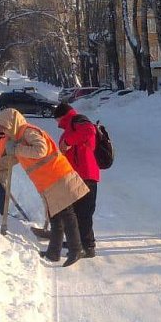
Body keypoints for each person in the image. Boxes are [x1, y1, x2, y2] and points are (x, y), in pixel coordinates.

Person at [0, 108, 89, 267]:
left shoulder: (27, 132)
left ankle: (76, 249)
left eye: (4, 128)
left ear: (12, 124)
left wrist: (17, 149)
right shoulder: (18, 140)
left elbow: (41, 150)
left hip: (57, 176)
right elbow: (9, 161)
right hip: (49, 181)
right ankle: (53, 253)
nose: (3, 132)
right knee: (56, 218)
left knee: (67, 215)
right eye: (0, 129)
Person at [54, 102, 101, 258]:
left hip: (86, 173)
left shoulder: (78, 120)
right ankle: (78, 241)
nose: (56, 123)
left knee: (83, 212)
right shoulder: (69, 128)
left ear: (62, 116)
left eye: (57, 119)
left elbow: (89, 131)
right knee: (74, 211)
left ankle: (88, 246)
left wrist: (67, 142)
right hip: (76, 174)